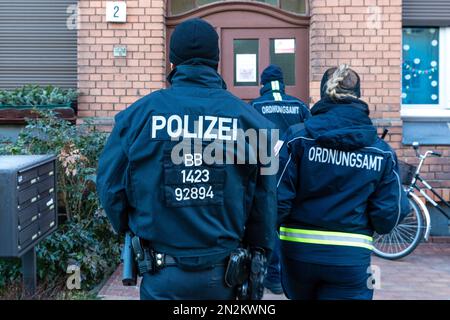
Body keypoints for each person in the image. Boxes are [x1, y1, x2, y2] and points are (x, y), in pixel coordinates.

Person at [96, 18, 277, 300]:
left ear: (172, 63)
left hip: (162, 275)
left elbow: (109, 186)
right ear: (216, 62)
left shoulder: (136, 118)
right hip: (224, 277)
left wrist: (129, 227)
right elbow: (266, 201)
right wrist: (260, 250)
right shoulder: (254, 123)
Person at [277, 64, 410, 300]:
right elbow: (388, 215)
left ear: (323, 94)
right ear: (357, 96)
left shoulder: (297, 138)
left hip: (298, 254)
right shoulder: (380, 151)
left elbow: (277, 199)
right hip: (350, 256)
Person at [250, 64, 310, 294]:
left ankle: (273, 277)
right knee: (292, 222)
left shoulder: (255, 106)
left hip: (266, 175)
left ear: (262, 83)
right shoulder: (299, 106)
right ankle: (290, 274)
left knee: (270, 223)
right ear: (283, 83)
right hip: (296, 176)